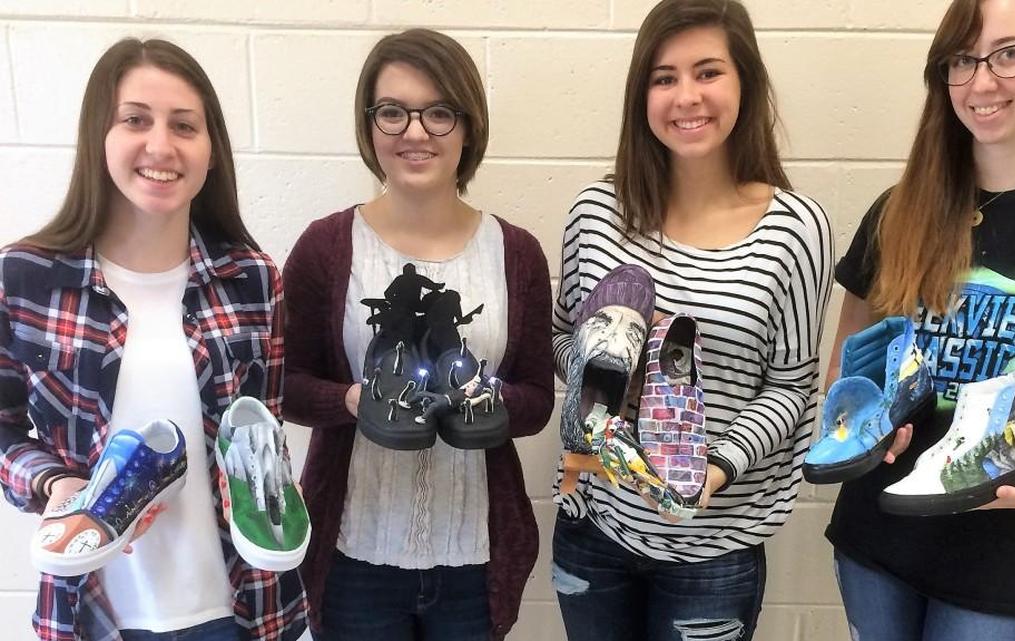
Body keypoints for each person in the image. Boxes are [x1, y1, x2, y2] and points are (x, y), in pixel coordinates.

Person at [824, 1, 1015, 639]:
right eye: (961, 60)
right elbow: (849, 361)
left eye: (1010, 53)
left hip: (1012, 561)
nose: (982, 81)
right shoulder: (899, 209)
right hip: (878, 538)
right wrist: (858, 424)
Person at [0, 38, 306, 641]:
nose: (161, 146)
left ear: (211, 150)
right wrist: (58, 485)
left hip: (240, 608)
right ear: (99, 137)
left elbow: (262, 430)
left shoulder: (253, 279)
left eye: (185, 126)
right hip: (93, 609)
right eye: (135, 119)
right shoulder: (27, 278)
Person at [550, 1, 834, 639]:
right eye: (664, 77)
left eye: (708, 72)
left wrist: (719, 465)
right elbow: (559, 336)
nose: (687, 97)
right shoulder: (597, 212)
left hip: (714, 549)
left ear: (745, 84)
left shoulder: (796, 229)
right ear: (641, 95)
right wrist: (598, 368)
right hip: (595, 526)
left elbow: (792, 384)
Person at [281, 28, 554, 641]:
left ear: (467, 126)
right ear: (369, 124)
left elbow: (538, 397)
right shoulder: (326, 247)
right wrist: (351, 401)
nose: (414, 132)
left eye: (437, 112)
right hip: (354, 557)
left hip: (473, 560)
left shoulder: (516, 254)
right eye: (393, 112)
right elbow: (284, 386)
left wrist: (490, 405)